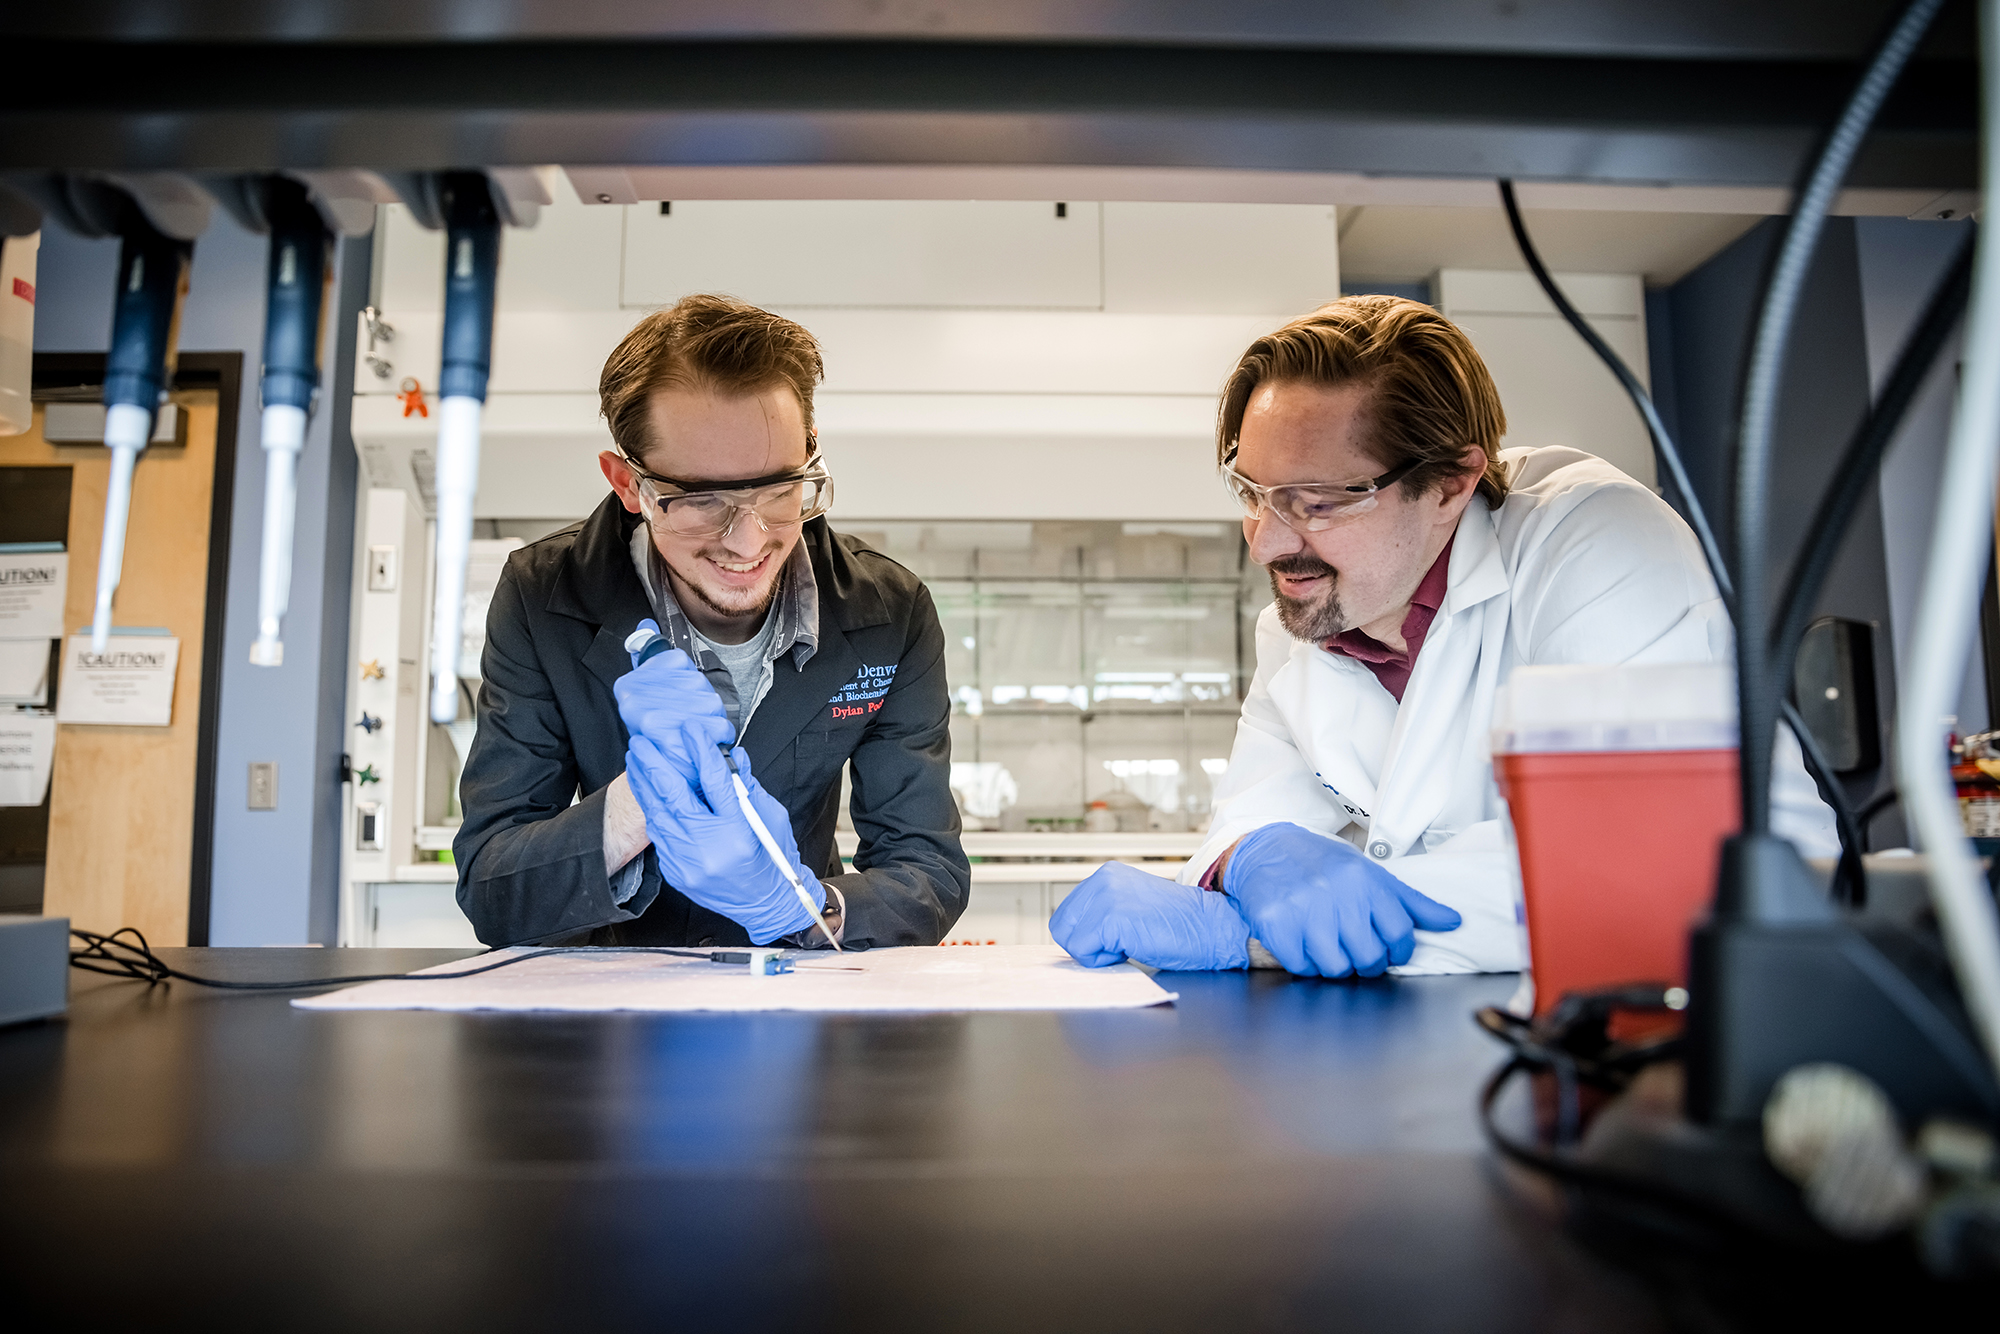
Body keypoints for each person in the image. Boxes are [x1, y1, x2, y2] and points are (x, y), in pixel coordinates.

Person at [1053, 295, 1834, 978]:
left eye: (1317, 502)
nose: (1264, 543)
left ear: (1452, 484)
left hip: (1692, 1015)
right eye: (1253, 494)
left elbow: (1646, 864)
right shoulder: (1304, 625)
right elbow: (1249, 829)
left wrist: (1240, 933)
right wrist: (1248, 861)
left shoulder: (1596, 542)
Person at [455, 294, 970, 949]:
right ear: (627, 483)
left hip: (798, 992)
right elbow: (492, 889)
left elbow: (929, 872)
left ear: (810, 453)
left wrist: (805, 910)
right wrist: (636, 807)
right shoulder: (544, 595)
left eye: (780, 490)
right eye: (702, 500)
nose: (749, 542)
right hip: (612, 1016)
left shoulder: (888, 611)